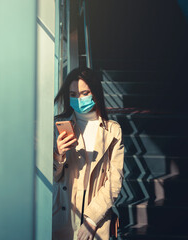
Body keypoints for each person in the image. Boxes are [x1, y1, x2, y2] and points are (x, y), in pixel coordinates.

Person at [52, 67, 124, 240]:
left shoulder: (113, 130)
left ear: (95, 93)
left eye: (85, 93)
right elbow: (51, 178)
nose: (79, 99)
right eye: (73, 94)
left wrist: (92, 220)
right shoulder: (57, 126)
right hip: (63, 215)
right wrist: (58, 154)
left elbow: (114, 181)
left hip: (95, 219)